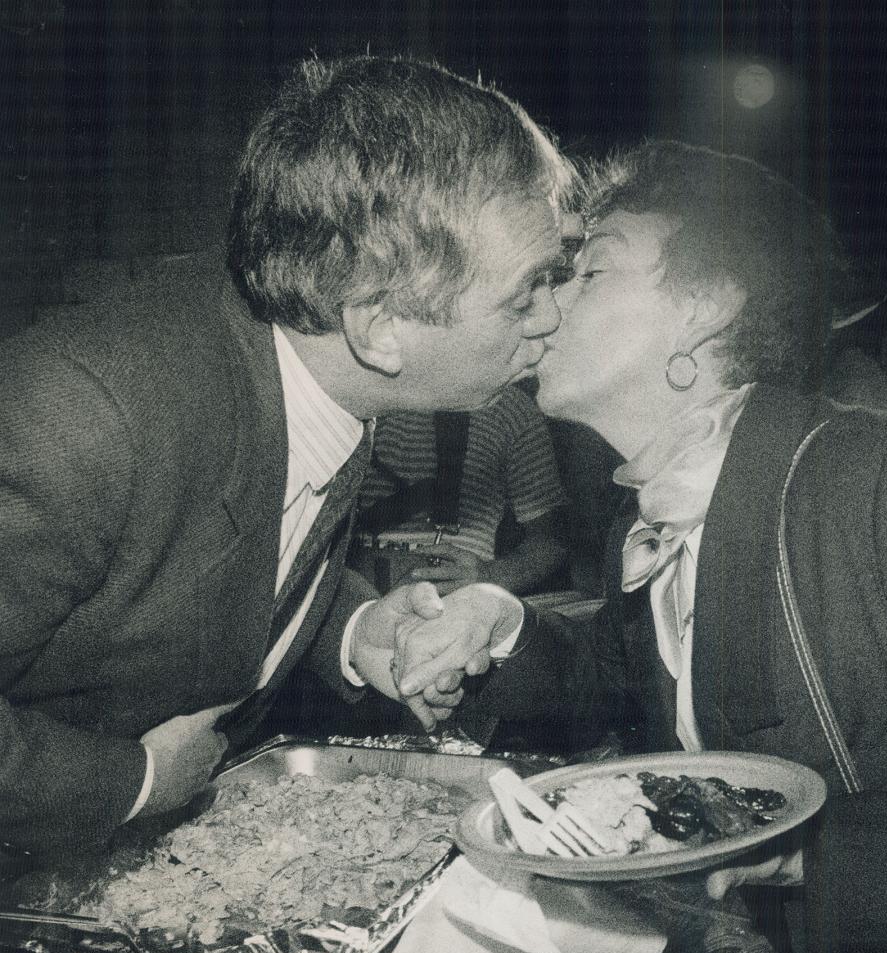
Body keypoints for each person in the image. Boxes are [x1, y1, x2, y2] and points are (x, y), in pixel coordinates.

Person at [392, 142, 887, 953]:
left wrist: (811, 858)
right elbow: (631, 686)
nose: (545, 300)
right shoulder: (663, 505)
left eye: (589, 266)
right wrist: (500, 623)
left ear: (705, 307)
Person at [0, 54, 572, 855]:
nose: (551, 317)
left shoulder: (314, 362)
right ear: (378, 328)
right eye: (526, 292)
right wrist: (132, 782)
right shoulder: (82, 411)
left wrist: (351, 628)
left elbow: (203, 548)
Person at [353, 385, 568, 597]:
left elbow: (551, 541)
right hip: (343, 597)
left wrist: (490, 576)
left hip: (454, 609)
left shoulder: (511, 409)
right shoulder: (353, 392)